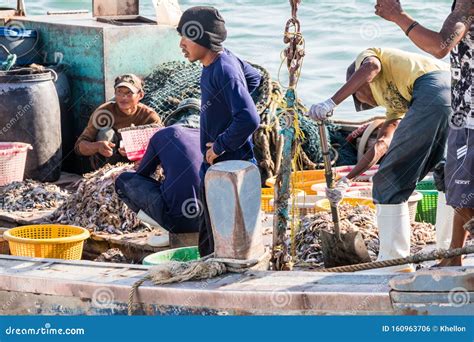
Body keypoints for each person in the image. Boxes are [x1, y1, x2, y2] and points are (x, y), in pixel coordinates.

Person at [307, 47, 451, 271]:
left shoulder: (369, 58)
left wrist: (331, 102)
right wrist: (348, 180)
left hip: (434, 88)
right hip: (459, 92)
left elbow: (371, 67)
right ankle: (449, 253)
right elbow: (382, 144)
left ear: (359, 83)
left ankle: (395, 262)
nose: (364, 103)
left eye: (359, 97)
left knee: (388, 181)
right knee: (446, 175)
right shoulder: (395, 104)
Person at [375, 0, 473, 266]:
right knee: (460, 188)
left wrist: (399, 17)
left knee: (458, 186)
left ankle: (453, 255)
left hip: (470, 118)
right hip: (463, 113)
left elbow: (440, 46)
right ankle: (454, 255)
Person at [177, 6, 262, 256]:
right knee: (214, 232)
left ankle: (214, 288)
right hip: (218, 167)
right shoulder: (220, 61)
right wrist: (232, 108)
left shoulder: (224, 70)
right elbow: (254, 78)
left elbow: (248, 118)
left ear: (204, 38)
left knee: (217, 243)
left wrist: (220, 144)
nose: (181, 43)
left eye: (186, 36)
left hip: (228, 169)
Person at [115, 101, 202, 247]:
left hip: (179, 221)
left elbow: (142, 174)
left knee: (123, 181)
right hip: (211, 220)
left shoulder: (162, 134)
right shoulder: (212, 139)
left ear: (176, 118)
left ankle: (168, 228)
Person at [75, 74, 162, 170]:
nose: (123, 97)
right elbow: (79, 147)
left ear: (140, 95)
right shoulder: (104, 112)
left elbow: (161, 148)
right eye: (119, 92)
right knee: (106, 133)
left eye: (129, 93)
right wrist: (98, 146)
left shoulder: (149, 116)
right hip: (108, 167)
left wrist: (135, 152)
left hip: (139, 165)